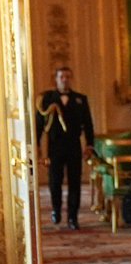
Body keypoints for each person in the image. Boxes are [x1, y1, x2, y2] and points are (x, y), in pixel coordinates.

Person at [35, 66, 95, 229]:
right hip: (54, 146)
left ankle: (72, 217)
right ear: (56, 79)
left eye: (68, 76)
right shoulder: (47, 99)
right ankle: (56, 210)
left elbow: (88, 124)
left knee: (75, 182)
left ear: (71, 78)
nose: (65, 79)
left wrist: (89, 144)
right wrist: (37, 146)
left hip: (74, 145)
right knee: (55, 181)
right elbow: (39, 124)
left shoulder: (80, 99)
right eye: (61, 77)